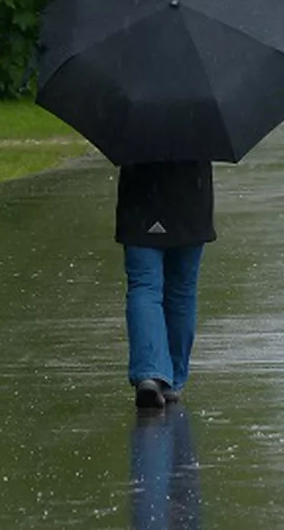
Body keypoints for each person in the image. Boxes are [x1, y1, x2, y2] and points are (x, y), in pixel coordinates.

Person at [116, 160, 216, 408]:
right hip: (191, 195)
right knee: (182, 291)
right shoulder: (200, 132)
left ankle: (150, 373)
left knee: (144, 286)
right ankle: (173, 379)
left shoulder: (133, 132)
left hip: (140, 197)